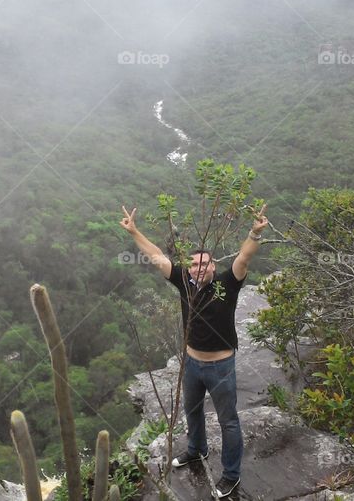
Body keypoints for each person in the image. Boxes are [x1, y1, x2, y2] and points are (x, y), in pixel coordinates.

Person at [120, 204, 268, 498]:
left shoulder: (228, 282)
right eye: (194, 264)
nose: (199, 268)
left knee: (228, 421)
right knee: (192, 411)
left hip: (221, 366)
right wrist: (135, 231)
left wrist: (254, 233)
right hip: (192, 364)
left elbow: (244, 256)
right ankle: (196, 449)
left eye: (205, 264)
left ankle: (231, 475)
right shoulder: (184, 281)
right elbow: (156, 256)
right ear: (189, 268)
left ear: (213, 266)